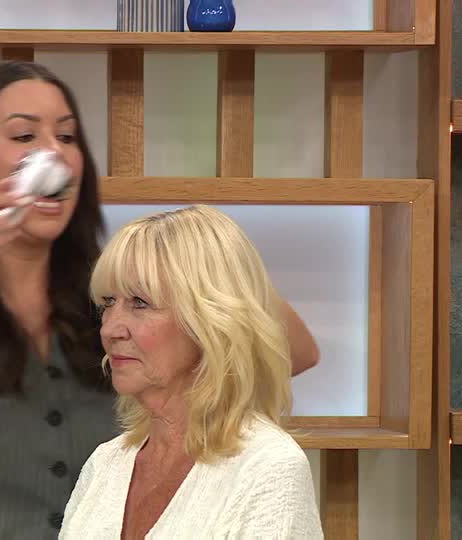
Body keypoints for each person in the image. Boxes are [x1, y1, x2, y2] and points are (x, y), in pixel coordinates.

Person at [0, 61, 320, 539]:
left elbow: (291, 351)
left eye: (68, 138)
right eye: (24, 137)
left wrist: (191, 257)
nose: (51, 155)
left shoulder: (110, 297)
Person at [59, 205, 323, 539]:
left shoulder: (269, 467)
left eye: (140, 302)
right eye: (108, 302)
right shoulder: (106, 463)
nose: (110, 329)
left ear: (209, 322)